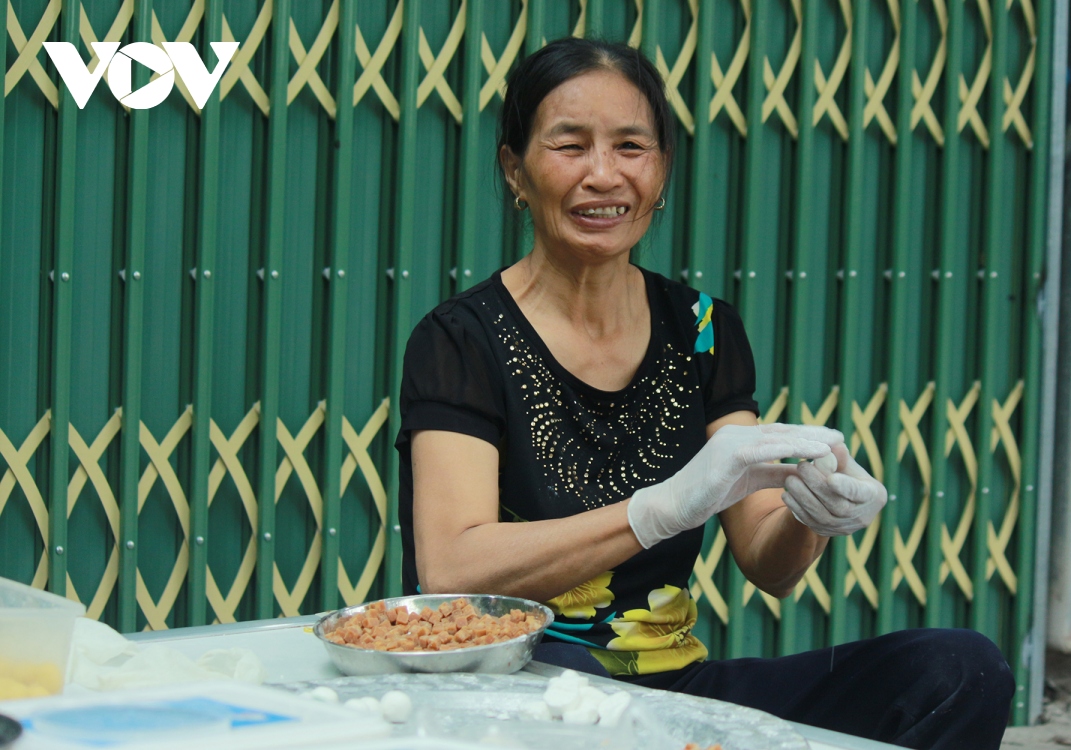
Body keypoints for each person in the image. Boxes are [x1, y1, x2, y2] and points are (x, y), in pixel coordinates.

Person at [395, 37, 1014, 750]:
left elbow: (767, 563)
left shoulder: (703, 330)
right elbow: (452, 565)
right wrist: (660, 510)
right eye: (570, 146)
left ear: (661, 171)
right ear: (516, 169)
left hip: (676, 697)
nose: (603, 175)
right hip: (519, 696)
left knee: (959, 669)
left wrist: (812, 507)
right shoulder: (462, 339)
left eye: (632, 146)